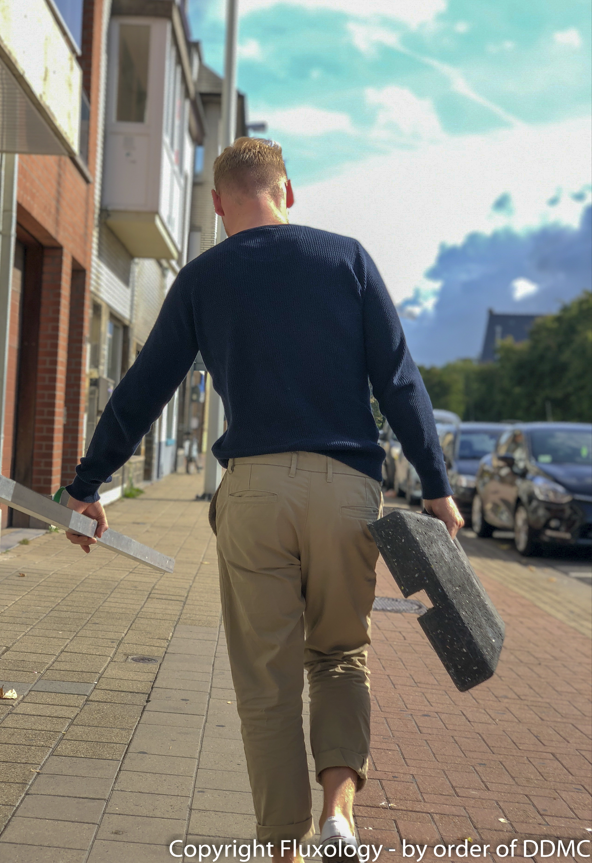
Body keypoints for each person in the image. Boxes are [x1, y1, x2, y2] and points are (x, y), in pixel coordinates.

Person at [63, 137, 463, 862]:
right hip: (346, 490)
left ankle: (284, 846)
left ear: (218, 204)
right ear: (288, 191)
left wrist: (88, 484)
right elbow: (399, 378)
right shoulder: (347, 259)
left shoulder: (203, 277)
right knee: (339, 654)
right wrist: (435, 486)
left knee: (266, 684)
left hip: (252, 492)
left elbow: (144, 388)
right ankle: (339, 814)